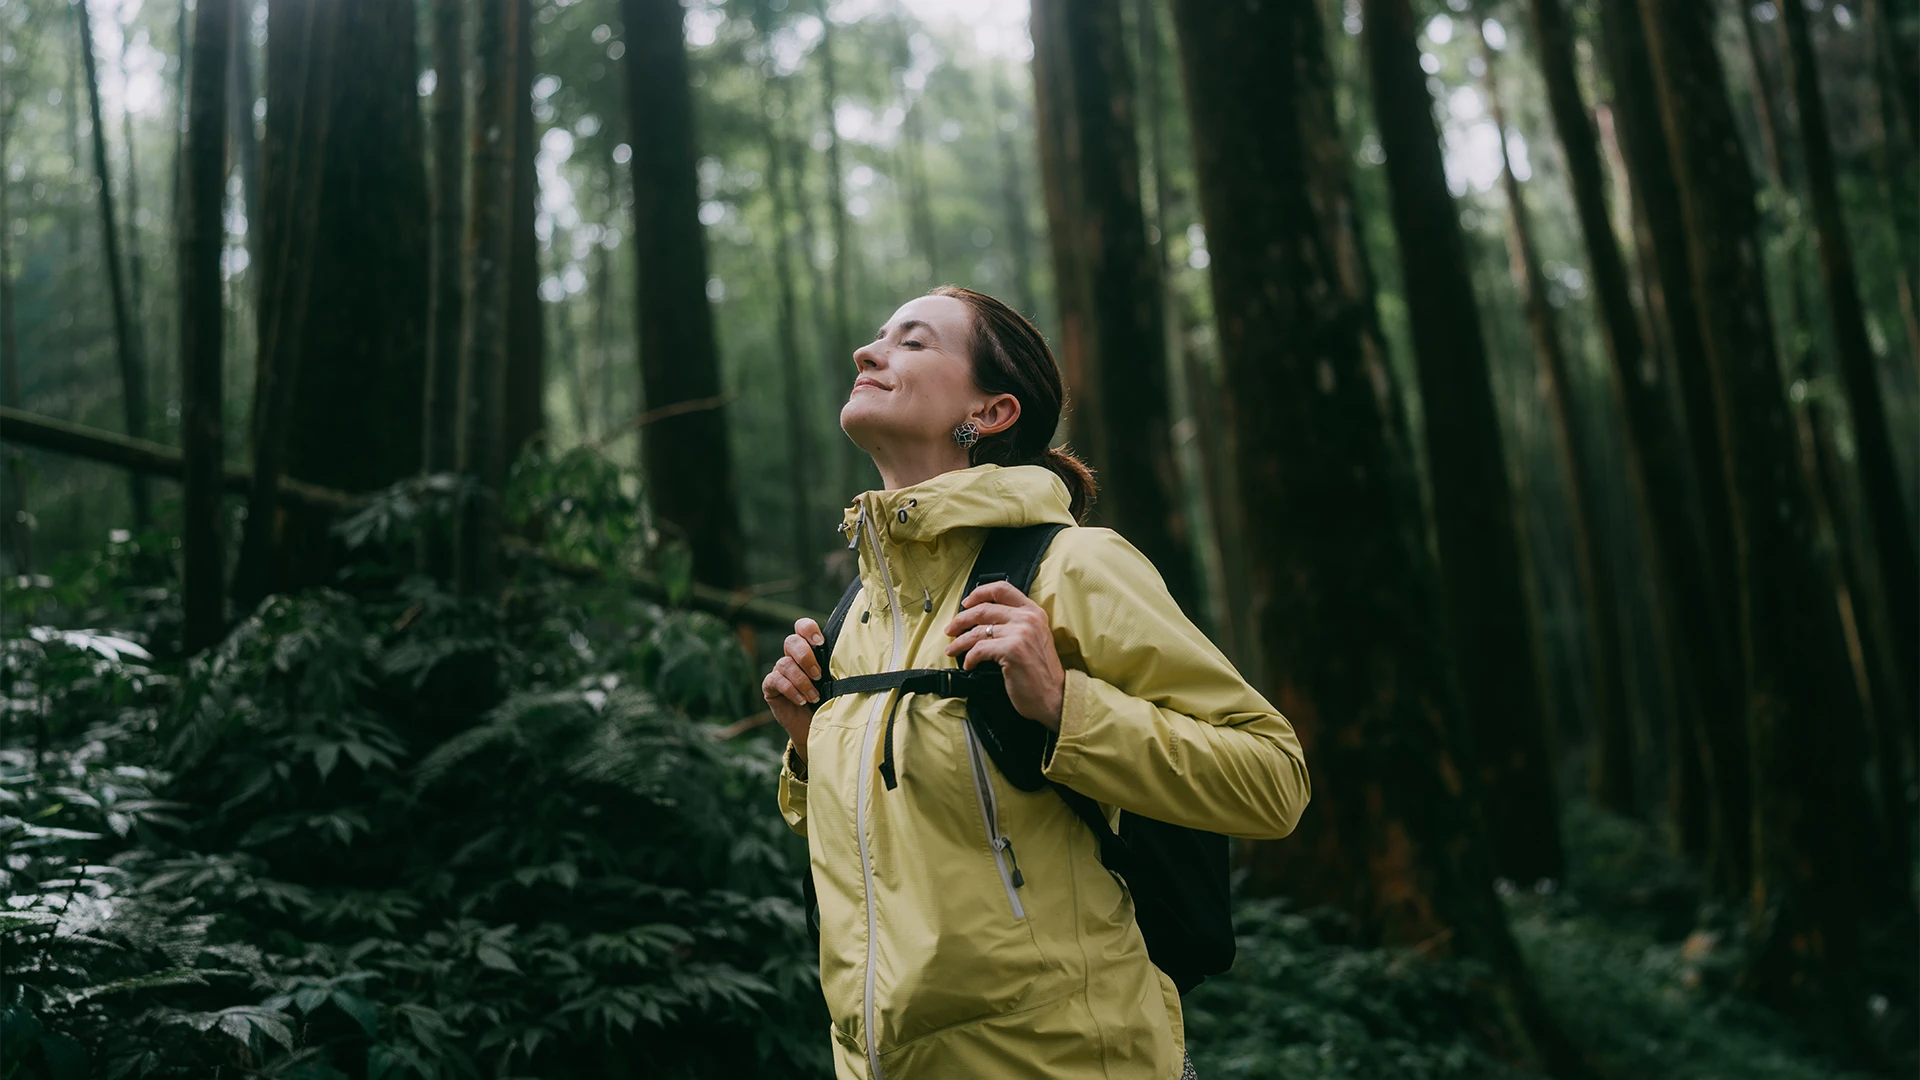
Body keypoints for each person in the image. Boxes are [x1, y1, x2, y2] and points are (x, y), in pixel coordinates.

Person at [762, 286, 1311, 1080]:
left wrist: (1065, 707)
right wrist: (812, 749)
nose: (868, 353)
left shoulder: (1072, 567)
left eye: (913, 342)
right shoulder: (853, 618)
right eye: (877, 337)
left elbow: (1273, 780)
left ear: (990, 413)